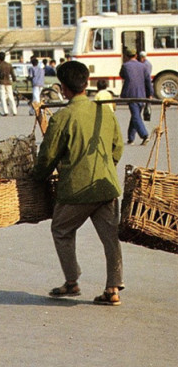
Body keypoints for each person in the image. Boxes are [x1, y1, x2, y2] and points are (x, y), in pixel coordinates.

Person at [33, 61, 124, 306]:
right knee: (110, 237)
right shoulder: (105, 111)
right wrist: (105, 167)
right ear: (86, 83)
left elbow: (48, 157)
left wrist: (36, 177)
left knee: (61, 230)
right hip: (105, 186)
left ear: (63, 89)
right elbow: (118, 147)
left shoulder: (62, 118)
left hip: (76, 190)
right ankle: (113, 287)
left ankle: (72, 281)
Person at [120, 48, 152, 145]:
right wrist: (150, 93)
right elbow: (148, 81)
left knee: (135, 115)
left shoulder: (125, 66)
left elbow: (122, 75)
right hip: (142, 94)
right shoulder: (143, 66)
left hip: (131, 94)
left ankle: (144, 135)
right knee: (135, 115)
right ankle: (131, 138)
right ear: (136, 56)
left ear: (126, 56)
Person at [0, 52, 17, 116]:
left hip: (1, 82)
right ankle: (14, 111)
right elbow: (13, 74)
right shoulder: (9, 65)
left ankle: (5, 111)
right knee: (11, 96)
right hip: (8, 82)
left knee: (2, 97)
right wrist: (14, 80)